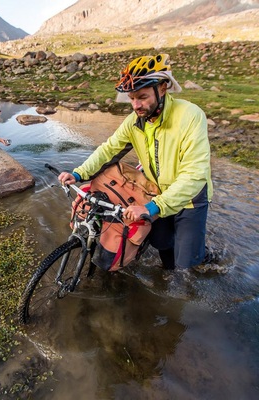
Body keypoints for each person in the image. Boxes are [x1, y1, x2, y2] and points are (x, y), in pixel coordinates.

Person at [58, 54, 213, 270]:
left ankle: (203, 256)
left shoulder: (190, 116)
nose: (136, 105)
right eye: (131, 98)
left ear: (162, 88)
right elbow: (109, 150)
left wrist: (152, 206)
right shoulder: (135, 121)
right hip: (157, 193)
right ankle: (170, 271)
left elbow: (195, 175)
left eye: (142, 97)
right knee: (161, 243)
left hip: (190, 198)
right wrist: (78, 173)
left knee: (187, 264)